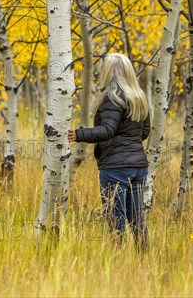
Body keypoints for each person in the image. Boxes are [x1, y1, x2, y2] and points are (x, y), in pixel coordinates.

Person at [68, 53, 151, 246]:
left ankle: (118, 263)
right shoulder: (139, 98)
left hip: (115, 168)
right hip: (139, 167)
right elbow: (144, 132)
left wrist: (78, 135)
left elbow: (107, 130)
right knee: (137, 218)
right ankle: (144, 259)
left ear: (109, 72)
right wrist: (129, 142)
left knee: (116, 219)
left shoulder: (113, 99)